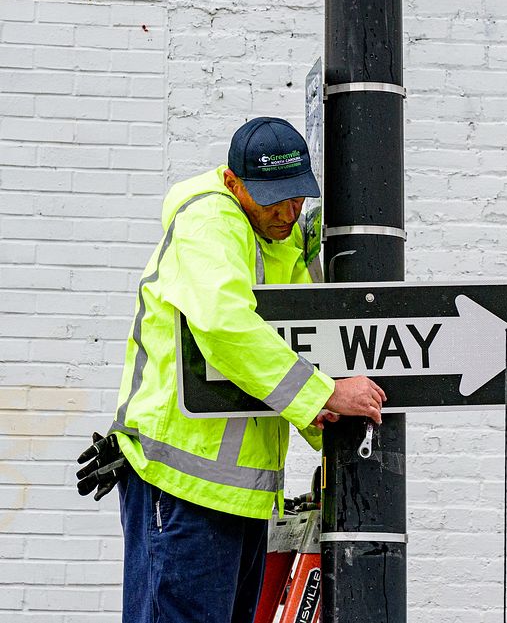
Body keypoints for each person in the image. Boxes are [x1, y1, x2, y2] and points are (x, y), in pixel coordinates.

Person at [76, 117, 385, 623]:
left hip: (237, 495)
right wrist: (322, 397)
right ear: (233, 182)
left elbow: (295, 338)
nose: (288, 212)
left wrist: (315, 417)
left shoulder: (279, 238)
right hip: (178, 483)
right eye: (272, 199)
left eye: (297, 198)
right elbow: (226, 327)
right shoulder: (209, 223)